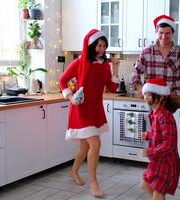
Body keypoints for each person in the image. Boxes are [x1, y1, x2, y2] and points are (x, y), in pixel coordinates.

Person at [59, 29, 120, 198]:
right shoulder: (80, 62)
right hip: (81, 109)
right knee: (95, 144)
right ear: (92, 46)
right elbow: (62, 80)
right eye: (99, 46)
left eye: (104, 46)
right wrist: (69, 96)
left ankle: (73, 171)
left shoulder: (105, 66)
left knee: (85, 146)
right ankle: (94, 183)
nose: (102, 49)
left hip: (95, 108)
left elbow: (113, 87)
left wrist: (115, 68)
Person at [131, 15, 180, 112]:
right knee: (156, 126)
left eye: (167, 33)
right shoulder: (147, 52)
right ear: (156, 32)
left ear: (172, 33)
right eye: (161, 33)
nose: (164, 36)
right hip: (152, 99)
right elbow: (135, 72)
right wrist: (140, 88)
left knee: (166, 125)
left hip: (172, 100)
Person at [141, 77, 180, 200]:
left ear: (161, 97)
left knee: (158, 193)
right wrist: (148, 135)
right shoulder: (155, 114)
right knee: (146, 184)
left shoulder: (164, 117)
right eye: (145, 94)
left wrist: (150, 151)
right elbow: (159, 134)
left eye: (149, 95)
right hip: (158, 160)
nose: (146, 98)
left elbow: (169, 144)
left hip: (166, 162)